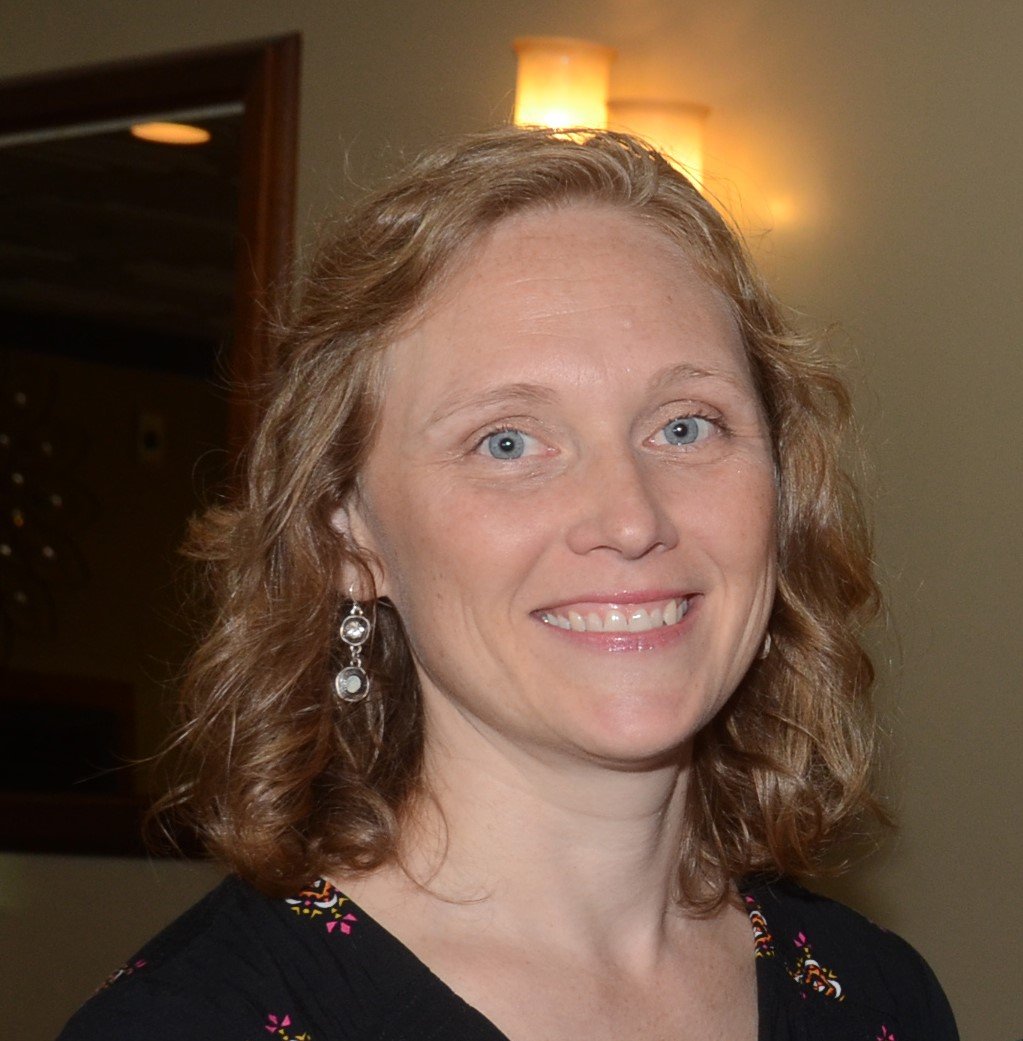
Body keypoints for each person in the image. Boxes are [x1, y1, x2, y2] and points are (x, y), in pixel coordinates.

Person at [59, 127, 958, 1041]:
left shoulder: (876, 998)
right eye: (509, 441)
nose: (631, 518)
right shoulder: (191, 1024)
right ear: (348, 538)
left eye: (685, 427)